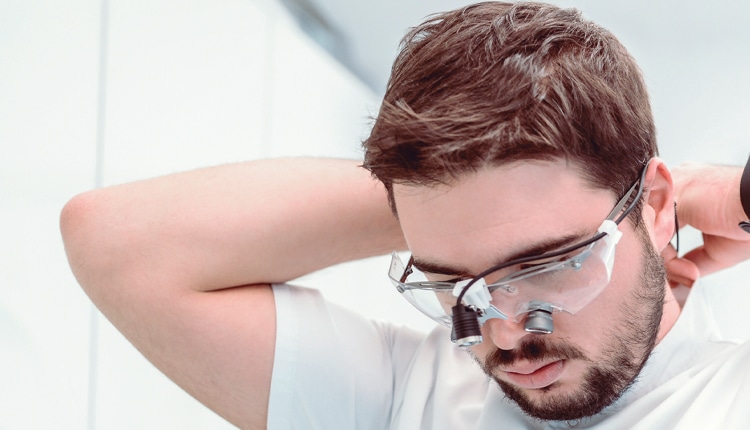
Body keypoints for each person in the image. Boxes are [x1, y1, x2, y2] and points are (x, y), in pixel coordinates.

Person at [60, 2, 750, 429]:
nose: (504, 333)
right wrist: (438, 208)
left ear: (655, 206)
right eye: (453, 283)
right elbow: (116, 242)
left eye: (546, 266)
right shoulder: (402, 399)